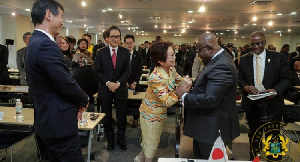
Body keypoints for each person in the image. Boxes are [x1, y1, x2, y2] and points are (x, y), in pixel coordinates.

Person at [25, 0, 89, 161]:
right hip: (58, 123)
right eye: (60, 16)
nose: (62, 21)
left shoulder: (35, 42)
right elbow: (65, 82)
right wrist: (84, 99)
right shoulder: (46, 45)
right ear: (48, 15)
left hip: (48, 120)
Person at [176, 33, 240, 159]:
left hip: (212, 129)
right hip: (206, 126)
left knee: (208, 158)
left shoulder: (222, 65)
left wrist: (184, 96)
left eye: (199, 51)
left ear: (209, 48)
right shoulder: (216, 60)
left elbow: (210, 99)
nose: (198, 54)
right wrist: (192, 86)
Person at [134, 41, 191, 162]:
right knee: (151, 145)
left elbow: (179, 81)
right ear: (160, 60)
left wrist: (185, 82)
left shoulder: (171, 70)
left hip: (158, 113)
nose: (174, 57)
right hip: (151, 115)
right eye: (171, 55)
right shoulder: (156, 77)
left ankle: (139, 159)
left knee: (149, 140)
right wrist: (179, 92)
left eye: (174, 54)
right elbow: (167, 102)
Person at [238, 31, 290, 160]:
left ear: (265, 43)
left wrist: (275, 90)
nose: (256, 47)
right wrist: (245, 87)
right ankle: (254, 158)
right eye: (253, 44)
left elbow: (286, 79)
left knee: (274, 136)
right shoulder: (244, 59)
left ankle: (274, 158)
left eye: (259, 43)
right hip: (252, 104)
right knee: (254, 135)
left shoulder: (278, 58)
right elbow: (240, 78)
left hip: (272, 104)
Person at [95, 25, 131, 151]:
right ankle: (110, 140)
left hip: (120, 88)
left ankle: (120, 139)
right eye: (113, 37)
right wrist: (108, 83)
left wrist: (118, 83)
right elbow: (98, 71)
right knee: (107, 117)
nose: (116, 39)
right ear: (107, 38)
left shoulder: (125, 53)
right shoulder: (101, 53)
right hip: (105, 89)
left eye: (118, 37)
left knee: (121, 117)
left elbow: (127, 72)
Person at [124, 34, 143, 128]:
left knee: (136, 102)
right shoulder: (121, 55)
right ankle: (124, 118)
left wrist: (134, 83)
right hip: (124, 83)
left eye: (131, 43)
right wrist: (125, 82)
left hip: (135, 83)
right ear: (124, 44)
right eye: (127, 43)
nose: (129, 45)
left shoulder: (138, 55)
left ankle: (135, 119)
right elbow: (119, 71)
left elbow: (140, 70)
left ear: (134, 43)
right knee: (124, 102)